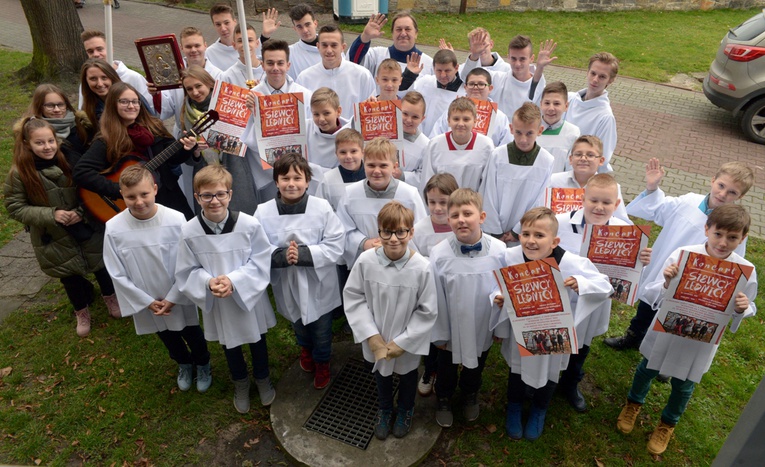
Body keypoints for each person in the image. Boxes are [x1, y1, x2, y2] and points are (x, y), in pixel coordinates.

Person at [616, 204, 757, 455]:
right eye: (718, 234)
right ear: (707, 229)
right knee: (647, 367)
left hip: (700, 340)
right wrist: (668, 281)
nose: (723, 243)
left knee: (684, 384)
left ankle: (668, 423)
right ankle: (633, 403)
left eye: (732, 237)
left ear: (743, 238)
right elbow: (654, 291)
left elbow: (747, 306)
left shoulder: (744, 271)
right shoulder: (683, 254)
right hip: (668, 329)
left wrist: (742, 308)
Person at [603, 159, 753, 350]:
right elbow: (658, 209)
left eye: (732, 192)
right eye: (721, 186)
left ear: (741, 196)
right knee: (649, 305)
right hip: (666, 266)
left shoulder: (733, 224)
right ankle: (633, 336)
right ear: (712, 180)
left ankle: (664, 354)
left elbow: (732, 260)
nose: (723, 194)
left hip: (696, 278)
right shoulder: (689, 201)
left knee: (679, 314)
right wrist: (652, 187)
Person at [492, 207, 611, 440]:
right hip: (522, 329)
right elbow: (495, 284)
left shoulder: (571, 261)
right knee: (517, 369)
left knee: (550, 372)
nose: (531, 241)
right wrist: (497, 296)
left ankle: (539, 408)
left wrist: (580, 282)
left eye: (539, 235)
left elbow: (605, 285)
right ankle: (514, 406)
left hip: (553, 332)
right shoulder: (511, 257)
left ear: (554, 241)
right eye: (525, 234)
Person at [4, 118, 119, 337]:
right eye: (40, 143)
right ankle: (81, 311)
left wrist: (82, 212)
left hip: (85, 225)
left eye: (50, 141)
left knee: (101, 265)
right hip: (53, 235)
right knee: (69, 275)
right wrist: (51, 214)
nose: (47, 147)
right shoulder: (19, 173)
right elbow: (15, 207)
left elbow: (90, 190)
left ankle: (111, 298)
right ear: (27, 144)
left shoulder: (71, 162)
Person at [175, 165, 277, 413]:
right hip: (217, 300)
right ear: (197, 197)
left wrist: (234, 281)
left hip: (248, 296)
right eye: (207, 195)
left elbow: (262, 259)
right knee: (229, 343)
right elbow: (185, 269)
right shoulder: (189, 231)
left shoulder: (249, 225)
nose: (214, 201)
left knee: (257, 340)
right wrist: (208, 283)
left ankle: (262, 378)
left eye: (220, 194)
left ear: (230, 195)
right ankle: (240, 382)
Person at [103, 165, 211, 392]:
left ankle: (203, 363)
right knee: (166, 335)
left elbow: (189, 259)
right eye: (131, 196)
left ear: (154, 189)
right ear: (121, 194)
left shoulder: (175, 219)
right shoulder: (114, 228)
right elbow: (116, 271)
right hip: (147, 299)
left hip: (178, 293)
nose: (139, 201)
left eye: (144, 194)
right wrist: (146, 301)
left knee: (191, 331)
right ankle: (183, 363)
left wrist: (173, 297)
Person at [554, 174, 650, 412]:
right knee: (555, 337)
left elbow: (628, 271)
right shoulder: (559, 223)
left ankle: (570, 382)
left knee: (582, 342)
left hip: (595, 299)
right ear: (582, 198)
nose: (599, 207)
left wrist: (641, 260)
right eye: (593, 200)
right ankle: (544, 380)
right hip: (562, 296)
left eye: (606, 203)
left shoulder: (626, 232)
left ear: (616, 205)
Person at [344, 200, 438, 440]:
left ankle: (406, 409)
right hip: (377, 334)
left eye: (401, 232)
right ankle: (385, 409)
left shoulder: (422, 268)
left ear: (411, 232)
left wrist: (403, 342)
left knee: (407, 375)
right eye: (387, 232)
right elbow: (354, 297)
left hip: (405, 337)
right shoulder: (366, 261)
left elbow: (427, 310)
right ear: (379, 232)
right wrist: (372, 336)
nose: (394, 239)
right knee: (381, 373)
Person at [254, 154, 344, 390]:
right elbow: (255, 245)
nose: (291, 183)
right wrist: (281, 256)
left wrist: (304, 255)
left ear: (307, 182)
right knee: (298, 322)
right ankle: (305, 349)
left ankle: (322, 360)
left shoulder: (321, 208)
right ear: (276, 182)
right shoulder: (263, 212)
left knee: (322, 328)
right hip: (288, 281)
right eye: (285, 178)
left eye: (297, 178)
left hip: (317, 281)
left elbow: (336, 242)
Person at [429, 188, 507, 428]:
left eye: (467, 213)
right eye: (454, 215)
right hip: (451, 322)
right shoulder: (439, 254)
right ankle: (443, 396)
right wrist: (440, 333)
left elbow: (503, 289)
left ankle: (470, 392)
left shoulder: (500, 251)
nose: (461, 219)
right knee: (446, 366)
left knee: (478, 361)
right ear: (448, 220)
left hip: (483, 321)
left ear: (482, 217)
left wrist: (499, 327)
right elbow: (436, 295)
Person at [74, 82, 198, 221]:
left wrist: (188, 147)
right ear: (113, 105)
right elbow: (81, 172)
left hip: (167, 195)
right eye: (124, 102)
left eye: (135, 101)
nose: (131, 106)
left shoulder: (154, 128)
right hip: (133, 206)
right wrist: (120, 189)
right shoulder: (107, 139)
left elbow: (174, 158)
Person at [336, 137, 427, 269]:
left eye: (383, 165)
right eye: (371, 165)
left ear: (394, 166)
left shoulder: (409, 194)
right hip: (364, 263)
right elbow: (343, 228)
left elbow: (419, 231)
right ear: (364, 164)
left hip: (401, 264)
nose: (376, 171)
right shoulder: (350, 194)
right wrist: (364, 243)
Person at [410, 173, 458, 397]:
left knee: (453, 333)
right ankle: (429, 370)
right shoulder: (419, 229)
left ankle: (450, 368)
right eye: (432, 202)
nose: (438, 208)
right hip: (429, 293)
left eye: (444, 203)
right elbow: (413, 260)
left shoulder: (460, 226)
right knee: (431, 336)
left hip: (455, 293)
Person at [481, 102, 554, 243]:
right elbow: (488, 193)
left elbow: (538, 201)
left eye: (529, 133)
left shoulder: (546, 161)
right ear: (511, 128)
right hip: (494, 232)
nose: (523, 139)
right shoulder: (498, 155)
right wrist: (496, 232)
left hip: (524, 233)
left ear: (540, 131)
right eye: (518, 132)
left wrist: (517, 231)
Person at [461, 32, 556, 121]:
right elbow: (468, 77)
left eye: (522, 59)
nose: (517, 64)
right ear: (508, 57)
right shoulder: (497, 78)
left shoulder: (540, 88)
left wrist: (540, 68)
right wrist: (474, 55)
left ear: (531, 59)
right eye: (513, 59)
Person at [297, 25, 376, 122]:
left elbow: (372, 112)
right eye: (324, 45)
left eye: (334, 45)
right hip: (317, 135)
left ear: (343, 47)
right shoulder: (304, 78)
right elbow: (300, 117)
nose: (329, 50)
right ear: (318, 46)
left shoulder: (362, 75)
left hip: (352, 135)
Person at [420, 97, 494, 193]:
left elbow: (487, 186)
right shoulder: (435, 145)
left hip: (473, 204)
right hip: (443, 205)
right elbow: (427, 182)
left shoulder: (486, 145)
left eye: (466, 119)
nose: (461, 124)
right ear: (448, 121)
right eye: (456, 119)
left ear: (475, 121)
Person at [549, 135, 629, 223]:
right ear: (571, 159)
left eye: (590, 155)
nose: (583, 158)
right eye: (578, 154)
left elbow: (622, 222)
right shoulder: (553, 181)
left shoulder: (612, 188)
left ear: (601, 161)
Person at [428, 68, 512, 147]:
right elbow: (434, 139)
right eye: (471, 84)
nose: (475, 87)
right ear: (465, 87)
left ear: (490, 88)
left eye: (481, 84)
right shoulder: (451, 111)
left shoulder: (500, 118)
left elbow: (506, 148)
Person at [565, 52, 619, 173]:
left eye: (602, 77)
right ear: (587, 72)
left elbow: (601, 160)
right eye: (593, 73)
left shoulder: (605, 117)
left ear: (611, 80)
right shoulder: (569, 99)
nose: (595, 80)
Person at [348, 12, 434, 84]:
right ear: (392, 33)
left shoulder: (429, 64)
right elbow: (353, 62)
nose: (403, 33)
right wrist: (365, 37)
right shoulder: (377, 55)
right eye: (398, 29)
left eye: (407, 29)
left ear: (416, 33)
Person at [79, 30, 152, 112]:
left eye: (99, 49)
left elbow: (150, 109)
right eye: (90, 51)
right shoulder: (88, 81)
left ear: (111, 49)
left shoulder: (133, 77)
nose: (95, 54)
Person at [24, 83, 94, 157]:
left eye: (60, 104)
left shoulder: (82, 124)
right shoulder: (31, 131)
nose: (57, 110)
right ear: (39, 107)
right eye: (50, 106)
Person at [259, 4, 321, 80]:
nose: (305, 30)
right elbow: (264, 60)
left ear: (315, 23)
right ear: (295, 28)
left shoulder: (333, 47)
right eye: (299, 26)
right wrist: (265, 36)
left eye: (307, 24)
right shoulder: (289, 52)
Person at [411, 49, 465, 136]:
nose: (443, 75)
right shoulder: (425, 83)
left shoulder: (464, 91)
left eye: (447, 71)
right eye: (439, 71)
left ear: (456, 68)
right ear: (433, 68)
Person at [315, 128, 366, 212]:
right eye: (343, 152)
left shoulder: (372, 175)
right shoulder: (328, 180)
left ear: (362, 152)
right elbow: (320, 210)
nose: (348, 156)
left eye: (353, 151)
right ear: (336, 153)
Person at [304, 87, 354, 170]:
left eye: (326, 113)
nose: (321, 119)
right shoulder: (305, 128)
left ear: (338, 111)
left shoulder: (352, 130)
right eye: (316, 114)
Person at [536, 81, 581, 173]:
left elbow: (572, 169)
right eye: (547, 103)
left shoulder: (573, 133)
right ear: (541, 104)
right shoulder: (529, 130)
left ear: (566, 106)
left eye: (556, 104)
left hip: (558, 186)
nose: (551, 108)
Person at [398, 91, 429, 186]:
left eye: (415, 117)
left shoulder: (426, 145)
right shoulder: (385, 131)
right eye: (405, 114)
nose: (408, 120)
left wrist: (402, 176)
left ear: (422, 119)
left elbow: (423, 176)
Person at [79, 58, 122, 126]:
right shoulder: (88, 107)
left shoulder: (130, 99)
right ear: (86, 81)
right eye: (93, 79)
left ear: (112, 77)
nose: (100, 84)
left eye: (104, 78)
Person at [205, 3, 240, 71]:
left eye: (226, 23)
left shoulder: (248, 46)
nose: (223, 28)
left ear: (235, 22)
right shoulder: (209, 53)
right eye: (218, 24)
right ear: (214, 26)